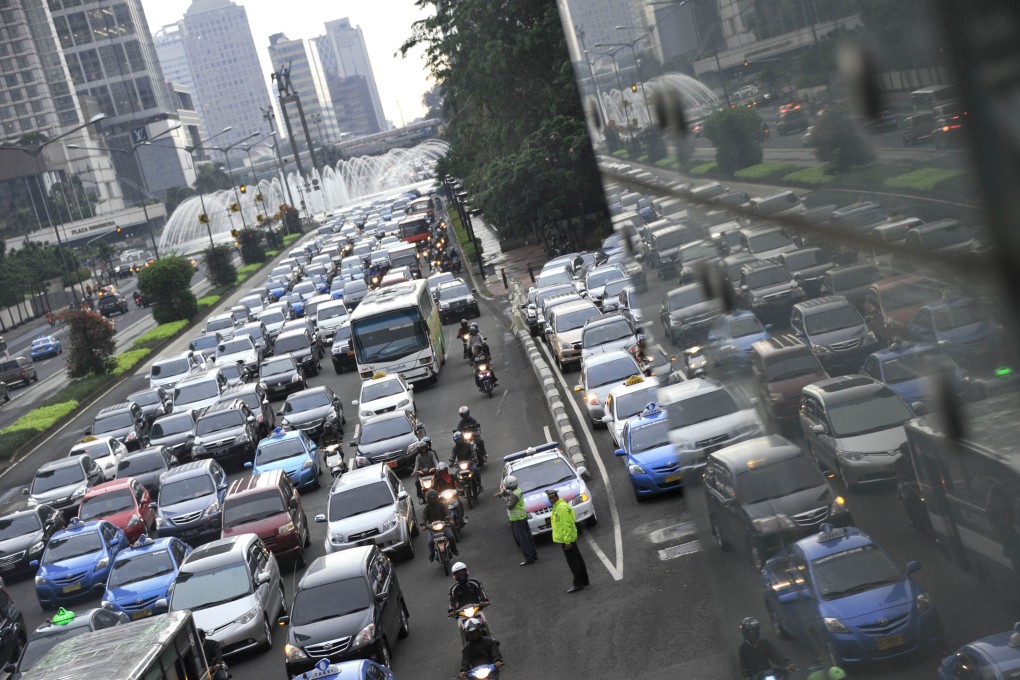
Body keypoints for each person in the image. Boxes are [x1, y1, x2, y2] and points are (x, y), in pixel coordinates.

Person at [547, 488, 589, 593]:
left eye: (552, 497)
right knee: (577, 559)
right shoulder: (559, 506)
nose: (550, 500)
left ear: (556, 496)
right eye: (549, 498)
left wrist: (567, 541)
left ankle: (578, 584)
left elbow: (566, 526)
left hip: (566, 540)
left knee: (573, 562)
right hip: (568, 538)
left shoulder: (560, 508)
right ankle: (584, 580)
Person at [494, 475, 538, 565]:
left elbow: (509, 506)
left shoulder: (514, 495)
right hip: (522, 517)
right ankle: (533, 555)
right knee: (528, 537)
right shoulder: (517, 491)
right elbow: (509, 493)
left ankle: (529, 558)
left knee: (523, 540)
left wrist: (504, 499)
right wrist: (501, 494)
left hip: (517, 519)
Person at [422, 489, 459, 560]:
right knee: (430, 542)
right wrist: (424, 524)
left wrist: (449, 518)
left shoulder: (441, 505)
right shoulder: (427, 508)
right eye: (430, 498)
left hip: (443, 526)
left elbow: (447, 512)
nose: (432, 500)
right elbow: (424, 517)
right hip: (432, 528)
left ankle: (454, 550)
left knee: (451, 537)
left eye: (433, 498)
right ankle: (432, 555)